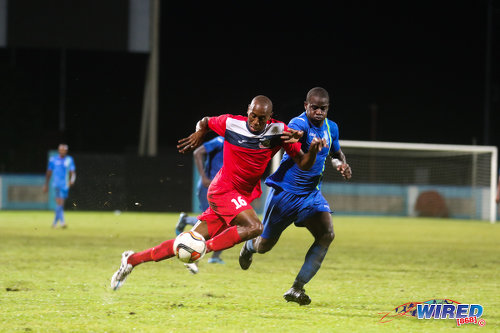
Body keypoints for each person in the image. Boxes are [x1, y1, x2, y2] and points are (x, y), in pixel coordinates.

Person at [110, 95, 327, 291]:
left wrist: (314, 151)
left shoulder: (279, 132)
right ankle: (202, 249)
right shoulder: (231, 123)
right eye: (253, 116)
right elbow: (205, 121)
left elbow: (303, 163)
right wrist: (199, 132)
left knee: (185, 241)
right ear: (248, 111)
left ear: (270, 117)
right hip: (223, 190)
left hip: (239, 197)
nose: (256, 122)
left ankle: (132, 260)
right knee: (254, 227)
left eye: (262, 118)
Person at [238, 87, 352, 305]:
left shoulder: (332, 128)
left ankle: (297, 288)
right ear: (306, 106)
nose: (319, 112)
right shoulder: (298, 125)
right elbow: (295, 146)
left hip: (311, 195)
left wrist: (341, 165)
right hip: (285, 194)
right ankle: (249, 246)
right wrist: (301, 141)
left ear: (328, 108)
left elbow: (336, 154)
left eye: (323, 108)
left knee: (327, 234)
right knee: (265, 245)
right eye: (314, 107)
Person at [176, 135, 226, 265]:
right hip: (209, 187)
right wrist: (203, 177)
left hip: (222, 188)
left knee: (224, 222)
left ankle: (214, 256)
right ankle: (199, 251)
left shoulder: (237, 144)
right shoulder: (220, 140)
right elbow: (197, 152)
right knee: (212, 222)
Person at [43, 143, 76, 228]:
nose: (62, 151)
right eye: (61, 150)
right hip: (56, 184)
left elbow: (72, 172)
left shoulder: (69, 159)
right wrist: (46, 184)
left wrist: (72, 180)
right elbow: (49, 172)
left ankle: (55, 223)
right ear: (59, 150)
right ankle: (62, 222)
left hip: (65, 185)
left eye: (64, 150)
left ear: (66, 151)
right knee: (60, 203)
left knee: (60, 204)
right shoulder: (53, 159)